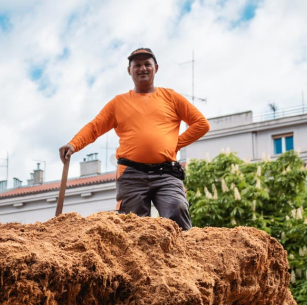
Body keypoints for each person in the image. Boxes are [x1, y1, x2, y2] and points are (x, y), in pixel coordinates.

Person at [59, 48, 209, 230]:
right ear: (129, 70)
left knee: (177, 208)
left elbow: (201, 124)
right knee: (133, 227)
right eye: (137, 65)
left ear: (156, 68)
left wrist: (175, 145)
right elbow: (94, 127)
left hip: (167, 173)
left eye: (147, 64)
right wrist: (74, 144)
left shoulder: (171, 97)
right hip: (131, 174)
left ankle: (183, 256)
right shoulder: (118, 103)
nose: (142, 68)